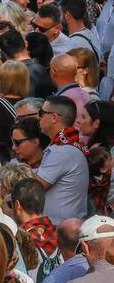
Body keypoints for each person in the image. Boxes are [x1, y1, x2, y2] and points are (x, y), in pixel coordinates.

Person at [37, 95, 91, 225]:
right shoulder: (67, 145)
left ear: (54, 117)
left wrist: (17, 171)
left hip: (60, 229)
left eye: (41, 113)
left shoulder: (62, 151)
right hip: (64, 225)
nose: (38, 117)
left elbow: (34, 187)